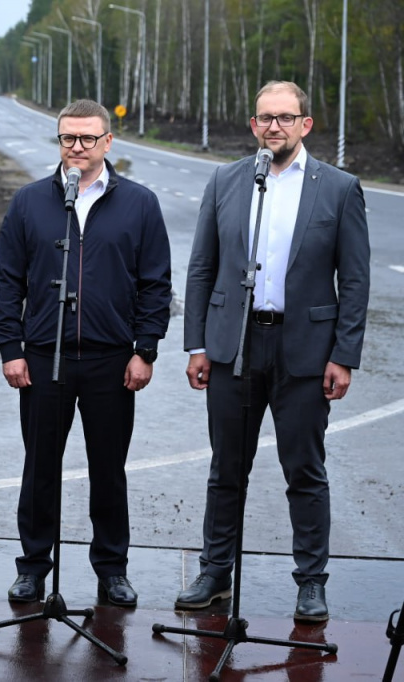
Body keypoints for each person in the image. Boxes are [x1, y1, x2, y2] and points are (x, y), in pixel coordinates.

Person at [178, 81, 370, 622]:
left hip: (305, 350)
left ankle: (311, 582)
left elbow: (354, 280)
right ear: (253, 124)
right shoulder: (228, 180)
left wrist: (344, 354)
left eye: (285, 118)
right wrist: (198, 344)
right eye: (265, 118)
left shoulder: (338, 187)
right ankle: (215, 573)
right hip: (234, 346)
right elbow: (201, 268)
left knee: (304, 470)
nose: (274, 127)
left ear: (305, 125)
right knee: (226, 469)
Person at [0, 99, 172, 608]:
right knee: (40, 469)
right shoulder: (30, 202)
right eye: (68, 138)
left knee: (108, 470)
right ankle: (32, 568)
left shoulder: (139, 203)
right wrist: (11, 347)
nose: (76, 147)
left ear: (107, 142)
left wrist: (146, 350)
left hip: (111, 361)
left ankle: (112, 569)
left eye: (87, 138)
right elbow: (7, 282)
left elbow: (156, 284)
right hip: (43, 358)